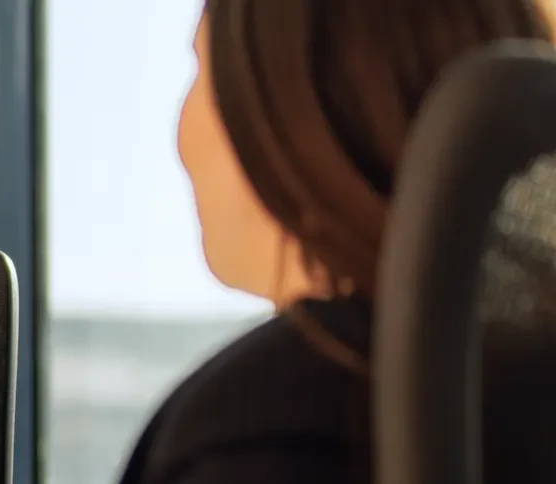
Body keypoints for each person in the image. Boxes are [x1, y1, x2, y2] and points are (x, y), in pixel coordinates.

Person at [120, 1, 553, 483]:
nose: (179, 132)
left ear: (290, 120)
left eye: (202, 67)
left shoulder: (267, 423)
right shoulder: (525, 387)